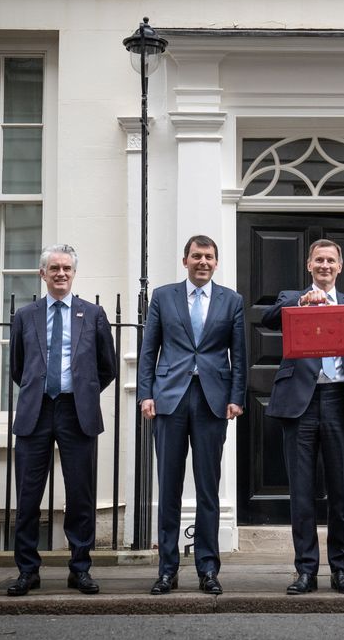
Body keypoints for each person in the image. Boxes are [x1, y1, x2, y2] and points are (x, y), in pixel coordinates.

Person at [262, 238, 344, 595]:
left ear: (340, 267)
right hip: (301, 403)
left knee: (341, 492)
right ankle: (306, 570)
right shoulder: (290, 297)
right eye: (319, 260)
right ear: (309, 265)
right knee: (302, 492)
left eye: (331, 260)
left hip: (340, 400)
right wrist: (300, 302)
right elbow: (266, 319)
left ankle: (340, 570)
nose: (325, 266)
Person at [137, 235, 247, 596]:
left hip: (212, 400)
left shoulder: (232, 300)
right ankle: (167, 570)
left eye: (209, 257)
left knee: (207, 489)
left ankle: (208, 568)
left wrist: (237, 397)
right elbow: (149, 349)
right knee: (168, 486)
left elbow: (239, 355)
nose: (203, 262)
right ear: (185, 260)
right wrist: (146, 394)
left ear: (216, 262)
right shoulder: (163, 296)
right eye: (197, 256)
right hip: (169, 399)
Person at [6, 244, 117, 596]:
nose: (61, 273)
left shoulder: (93, 314)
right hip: (35, 411)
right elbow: (18, 368)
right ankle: (27, 570)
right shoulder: (25, 316)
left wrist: (82, 390)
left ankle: (80, 569)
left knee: (80, 494)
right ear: (43, 273)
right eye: (54, 268)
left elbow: (107, 367)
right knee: (27, 497)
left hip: (76, 411)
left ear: (74, 273)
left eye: (67, 268)